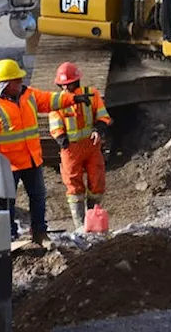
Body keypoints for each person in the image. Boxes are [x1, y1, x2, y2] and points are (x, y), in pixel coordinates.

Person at [0, 59, 87, 245]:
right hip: (9, 165)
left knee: (38, 197)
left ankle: (39, 232)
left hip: (31, 160)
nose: (21, 82)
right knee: (7, 202)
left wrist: (73, 98)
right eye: (17, 80)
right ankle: (9, 236)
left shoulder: (28, 95)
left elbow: (50, 100)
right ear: (5, 84)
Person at [48, 62, 111, 230]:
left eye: (70, 83)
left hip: (91, 145)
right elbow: (55, 123)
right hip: (71, 149)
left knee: (96, 182)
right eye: (65, 84)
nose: (67, 86)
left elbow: (103, 115)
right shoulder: (58, 102)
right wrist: (62, 139)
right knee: (73, 185)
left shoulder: (91, 94)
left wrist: (98, 129)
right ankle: (79, 225)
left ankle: (93, 218)